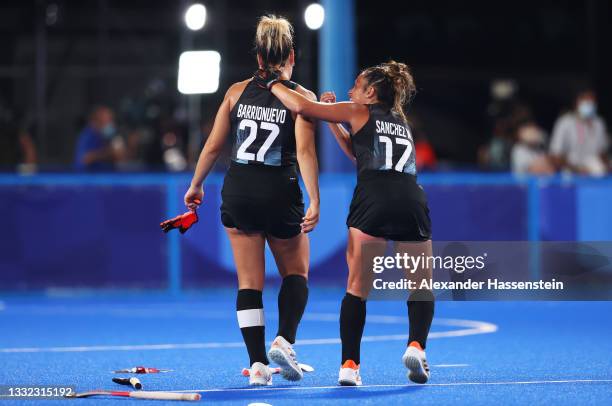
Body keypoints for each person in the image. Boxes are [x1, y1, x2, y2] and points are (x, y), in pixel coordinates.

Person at [261, 61, 434, 386]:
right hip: (411, 199)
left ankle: (350, 366)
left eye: (356, 85)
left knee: (357, 289)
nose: (351, 90)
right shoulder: (402, 123)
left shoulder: (358, 109)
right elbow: (359, 151)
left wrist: (273, 84)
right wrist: (332, 121)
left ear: (370, 93)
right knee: (421, 286)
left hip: (372, 199)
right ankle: (416, 345)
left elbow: (301, 105)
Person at [183, 15, 320, 386]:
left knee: (249, 283)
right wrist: (314, 199)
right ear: (291, 55)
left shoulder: (235, 92)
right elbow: (306, 154)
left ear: (258, 58)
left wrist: (196, 185)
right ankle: (284, 340)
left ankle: (258, 366)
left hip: (239, 191)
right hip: (280, 192)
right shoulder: (301, 98)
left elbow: (213, 145)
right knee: (296, 273)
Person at [549, 88, 610, 176]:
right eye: (587, 102)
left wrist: (607, 165)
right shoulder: (565, 122)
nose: (591, 105)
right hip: (571, 172)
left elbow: (602, 152)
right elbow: (555, 154)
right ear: (577, 102)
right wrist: (577, 169)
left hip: (594, 172)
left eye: (593, 103)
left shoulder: (599, 123)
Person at [74, 106, 124, 171]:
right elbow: (85, 159)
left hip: (108, 177)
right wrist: (109, 153)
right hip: (88, 177)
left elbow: (120, 155)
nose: (111, 123)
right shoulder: (88, 135)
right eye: (107, 120)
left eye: (111, 119)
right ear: (97, 121)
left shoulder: (111, 135)